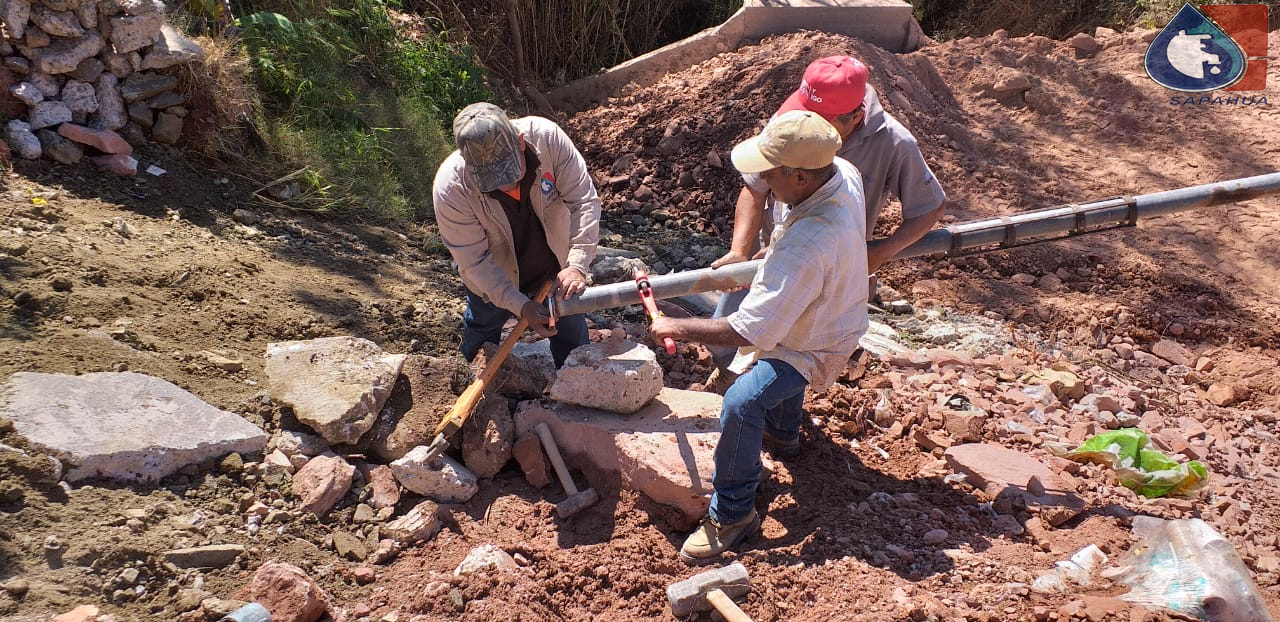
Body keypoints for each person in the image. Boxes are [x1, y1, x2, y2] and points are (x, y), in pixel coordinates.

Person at [649, 110, 869, 564]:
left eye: (771, 172)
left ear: (800, 177)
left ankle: (732, 514)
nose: (763, 180)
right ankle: (784, 435)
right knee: (778, 356)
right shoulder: (840, 171)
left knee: (744, 400)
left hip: (818, 334)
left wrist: (677, 326)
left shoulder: (811, 243)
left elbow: (745, 331)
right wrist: (770, 254)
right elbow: (797, 244)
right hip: (826, 309)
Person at [704, 55, 947, 392]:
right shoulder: (794, 121)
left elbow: (930, 207)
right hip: (773, 256)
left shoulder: (894, 143)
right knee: (726, 331)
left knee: (795, 347)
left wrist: (883, 251)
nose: (807, 124)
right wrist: (738, 251)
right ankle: (732, 380)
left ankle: (769, 420)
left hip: (831, 269)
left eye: (820, 121)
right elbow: (754, 187)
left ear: (855, 117)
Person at [433, 102, 601, 368]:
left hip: (554, 268)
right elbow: (475, 261)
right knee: (483, 328)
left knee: (570, 331)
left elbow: (584, 201)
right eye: (491, 177)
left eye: (509, 172)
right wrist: (520, 306)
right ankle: (471, 385)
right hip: (495, 277)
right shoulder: (452, 189)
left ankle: (579, 387)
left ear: (521, 142)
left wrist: (577, 265)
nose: (504, 183)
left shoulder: (548, 139)